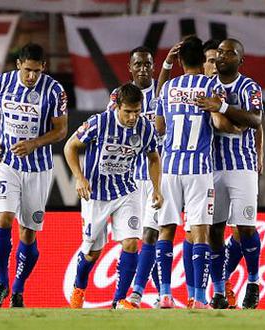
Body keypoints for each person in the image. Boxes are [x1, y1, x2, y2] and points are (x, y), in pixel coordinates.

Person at [0, 43, 68, 308]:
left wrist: (34, 143)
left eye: (36, 70)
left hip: (39, 168)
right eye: (27, 70)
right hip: (7, 162)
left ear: (43, 67)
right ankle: (1, 282)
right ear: (18, 65)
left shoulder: (55, 91)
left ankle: (18, 289)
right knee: (4, 218)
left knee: (28, 234)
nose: (31, 76)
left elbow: (61, 131)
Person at [65, 83, 162, 310]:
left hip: (126, 191)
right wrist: (79, 178)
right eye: (128, 112)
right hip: (96, 194)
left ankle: (119, 300)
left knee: (130, 243)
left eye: (136, 112)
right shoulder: (100, 123)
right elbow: (71, 147)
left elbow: (154, 158)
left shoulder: (145, 128)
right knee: (92, 252)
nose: (132, 117)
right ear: (117, 106)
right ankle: (79, 287)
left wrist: (157, 188)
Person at [154, 36, 222, 309]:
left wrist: (167, 65)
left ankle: (165, 295)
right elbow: (218, 120)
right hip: (199, 169)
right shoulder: (211, 86)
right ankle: (198, 297)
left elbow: (159, 127)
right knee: (200, 232)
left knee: (166, 229)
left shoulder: (168, 87)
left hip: (170, 167)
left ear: (180, 61)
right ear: (201, 60)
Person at [195, 39, 264, 309]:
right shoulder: (207, 87)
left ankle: (254, 282)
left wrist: (221, 108)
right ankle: (220, 292)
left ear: (240, 60)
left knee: (245, 226)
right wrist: (226, 119)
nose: (223, 56)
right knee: (215, 229)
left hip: (242, 165)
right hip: (211, 167)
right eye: (220, 52)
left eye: (230, 53)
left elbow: (255, 120)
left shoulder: (250, 87)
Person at [108, 46, 164, 309]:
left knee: (150, 234)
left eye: (148, 64)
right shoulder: (118, 96)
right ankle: (160, 291)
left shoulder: (163, 92)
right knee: (132, 239)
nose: (143, 68)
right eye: (138, 64)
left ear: (154, 67)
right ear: (129, 67)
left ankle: (136, 295)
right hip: (128, 179)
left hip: (155, 175)